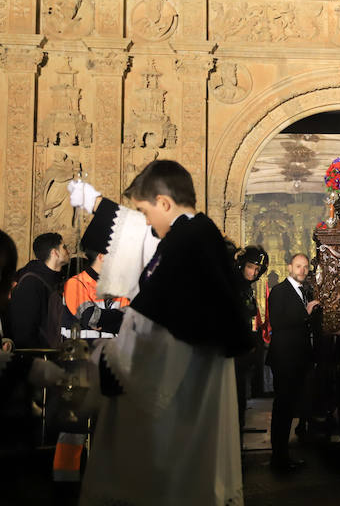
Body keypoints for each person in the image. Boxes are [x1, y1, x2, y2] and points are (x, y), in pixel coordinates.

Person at [67, 160, 250, 506]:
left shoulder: (187, 243)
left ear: (164, 203)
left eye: (145, 212)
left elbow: (156, 330)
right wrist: (97, 204)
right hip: (191, 379)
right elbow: (140, 236)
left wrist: (99, 369)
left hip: (182, 389)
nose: (146, 223)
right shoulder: (193, 234)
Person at [266, 252, 319, 473]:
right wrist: (306, 313)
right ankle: (279, 457)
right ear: (289, 267)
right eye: (298, 266)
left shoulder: (305, 292)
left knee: (290, 408)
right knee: (283, 408)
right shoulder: (279, 291)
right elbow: (277, 322)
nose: (302, 271)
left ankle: (284, 456)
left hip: (299, 359)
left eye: (305, 267)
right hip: (285, 358)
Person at [7, 233, 70, 349]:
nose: (68, 251)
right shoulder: (31, 283)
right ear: (55, 253)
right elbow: (24, 330)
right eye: (64, 247)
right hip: (41, 354)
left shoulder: (61, 278)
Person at [233, 245, 268, 432]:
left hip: (243, 348)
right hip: (233, 350)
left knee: (241, 393)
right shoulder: (234, 285)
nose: (253, 272)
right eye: (250, 267)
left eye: (257, 269)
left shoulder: (246, 288)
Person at [61, 247, 129, 340]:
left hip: (112, 348)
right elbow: (91, 317)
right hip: (83, 348)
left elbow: (131, 321)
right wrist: (115, 320)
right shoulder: (75, 283)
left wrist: (102, 321)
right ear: (102, 257)